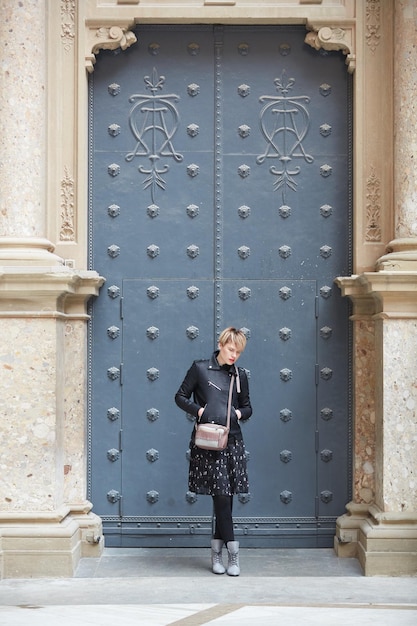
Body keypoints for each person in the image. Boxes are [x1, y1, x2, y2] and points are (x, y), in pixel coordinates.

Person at [175, 327, 252, 576]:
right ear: (221, 344)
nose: (234, 356)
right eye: (231, 350)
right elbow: (180, 396)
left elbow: (248, 407)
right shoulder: (200, 368)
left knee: (226, 497)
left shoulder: (239, 375)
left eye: (238, 352)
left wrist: (236, 414)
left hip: (232, 441)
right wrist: (200, 411)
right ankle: (233, 554)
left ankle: (216, 553)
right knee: (221, 495)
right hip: (209, 441)